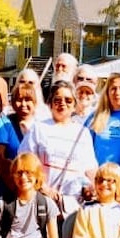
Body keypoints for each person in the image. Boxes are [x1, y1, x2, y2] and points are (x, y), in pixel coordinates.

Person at [19, 79, 97, 217]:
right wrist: (44, 189)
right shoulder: (39, 128)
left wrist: (92, 187)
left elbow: (90, 168)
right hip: (42, 201)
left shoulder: (82, 133)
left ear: (74, 104)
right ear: (50, 103)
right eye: (57, 99)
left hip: (72, 206)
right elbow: (24, 163)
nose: (62, 103)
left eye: (68, 100)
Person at [88, 73, 120, 174]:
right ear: (107, 92)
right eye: (113, 88)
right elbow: (84, 147)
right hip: (99, 176)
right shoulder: (95, 117)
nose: (117, 92)